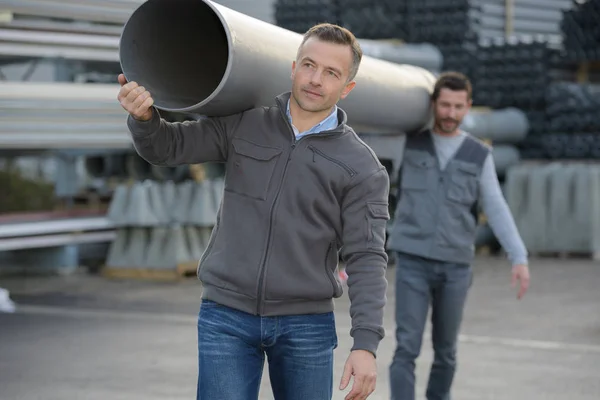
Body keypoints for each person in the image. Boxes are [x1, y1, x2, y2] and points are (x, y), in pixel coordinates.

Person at [117, 23, 390, 400]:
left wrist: (365, 344)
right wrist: (145, 119)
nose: (315, 79)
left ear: (348, 88)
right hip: (226, 315)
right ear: (293, 67)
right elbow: (168, 148)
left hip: (305, 324)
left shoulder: (362, 167)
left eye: (331, 73)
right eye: (309, 65)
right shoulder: (247, 122)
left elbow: (367, 257)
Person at [386, 71, 531, 400]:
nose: (450, 113)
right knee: (406, 348)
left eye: (458, 106)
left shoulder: (479, 154)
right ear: (434, 104)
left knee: (446, 351)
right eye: (445, 105)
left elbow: (496, 208)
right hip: (413, 262)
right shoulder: (407, 143)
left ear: (468, 107)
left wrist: (518, 256)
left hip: (455, 266)